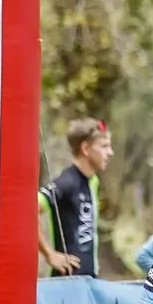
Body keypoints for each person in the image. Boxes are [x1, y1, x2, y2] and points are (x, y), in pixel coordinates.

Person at [38, 117, 112, 277]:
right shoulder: (66, 182)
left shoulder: (93, 181)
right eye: (104, 146)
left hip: (88, 280)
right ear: (86, 148)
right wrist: (49, 254)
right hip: (66, 282)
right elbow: (29, 209)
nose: (110, 153)